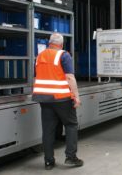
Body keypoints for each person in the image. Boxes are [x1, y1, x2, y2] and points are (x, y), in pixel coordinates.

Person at [32, 33, 83, 170]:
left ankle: (48, 162)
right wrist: (77, 97)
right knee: (71, 124)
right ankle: (71, 157)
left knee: (48, 130)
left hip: (44, 98)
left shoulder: (39, 56)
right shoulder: (63, 55)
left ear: (49, 43)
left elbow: (37, 76)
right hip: (62, 99)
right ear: (61, 44)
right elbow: (70, 78)